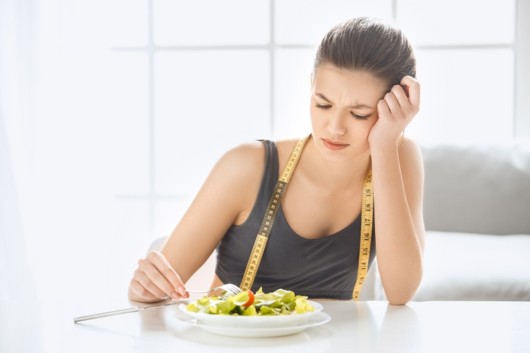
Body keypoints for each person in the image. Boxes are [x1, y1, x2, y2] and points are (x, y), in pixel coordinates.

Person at [128, 17, 424, 305]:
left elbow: (400, 292)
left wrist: (384, 145)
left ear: (395, 107)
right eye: (323, 103)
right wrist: (145, 288)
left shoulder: (399, 158)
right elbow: (156, 289)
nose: (334, 127)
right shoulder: (247, 167)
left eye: (359, 113)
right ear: (311, 86)